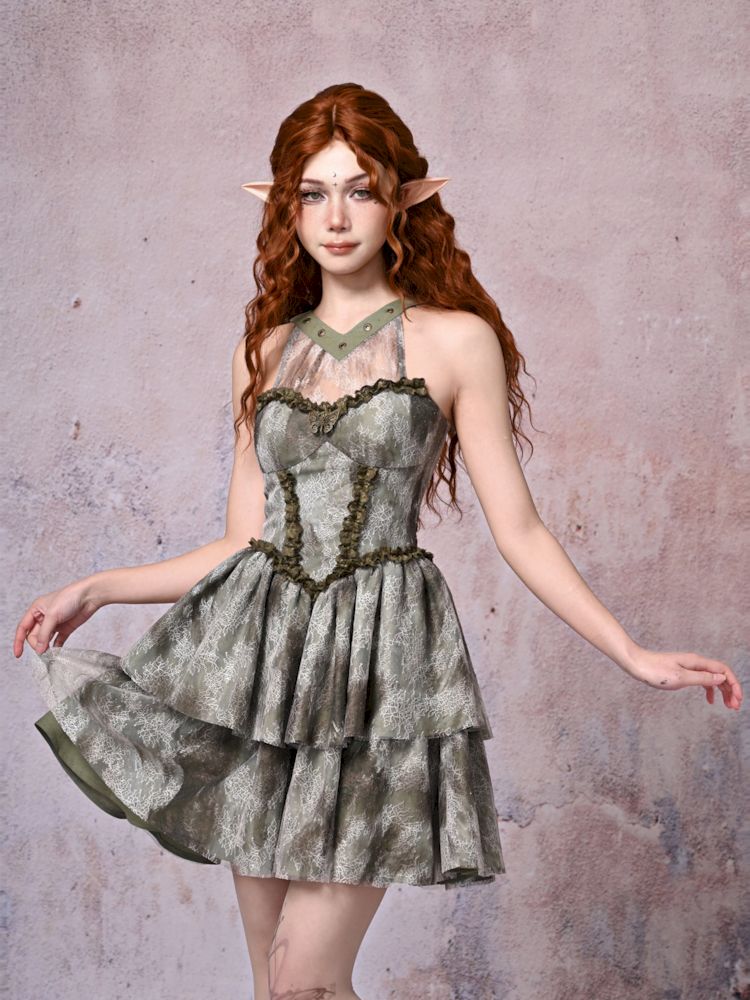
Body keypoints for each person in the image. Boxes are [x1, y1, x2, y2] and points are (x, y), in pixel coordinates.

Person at [14, 82, 743, 1000]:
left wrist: (630, 652)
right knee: (274, 986)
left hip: (383, 670)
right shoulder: (262, 354)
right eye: (313, 193)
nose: (336, 216)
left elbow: (518, 529)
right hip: (260, 672)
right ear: (286, 209)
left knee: (302, 976)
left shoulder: (456, 342)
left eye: (359, 190)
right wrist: (98, 587)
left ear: (402, 200)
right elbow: (244, 541)